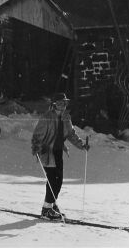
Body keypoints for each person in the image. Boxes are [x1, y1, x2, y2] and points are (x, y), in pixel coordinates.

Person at [31, 93, 89, 221]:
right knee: (52, 180)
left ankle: (52, 205)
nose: (61, 105)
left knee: (59, 180)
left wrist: (82, 145)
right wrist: (36, 147)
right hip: (47, 152)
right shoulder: (47, 117)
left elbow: (71, 134)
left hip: (58, 152)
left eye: (64, 103)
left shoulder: (66, 117)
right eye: (59, 103)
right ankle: (46, 209)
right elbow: (37, 135)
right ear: (54, 104)